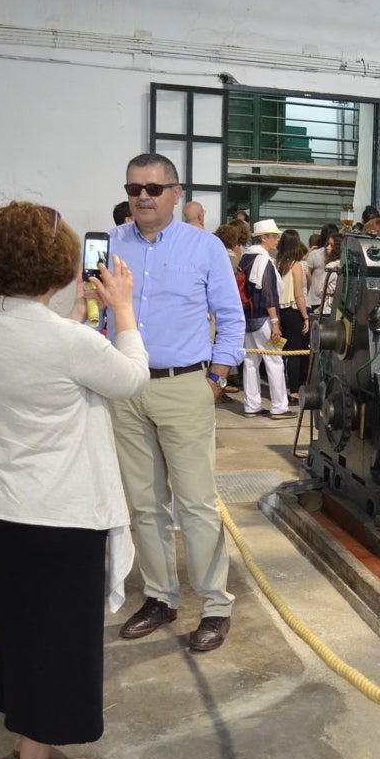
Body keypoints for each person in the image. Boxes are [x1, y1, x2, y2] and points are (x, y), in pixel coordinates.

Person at [0, 202, 149, 759]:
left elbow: (40, 358)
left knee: (22, 625)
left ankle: (23, 727)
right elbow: (130, 378)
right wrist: (122, 309)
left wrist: (76, 316)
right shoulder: (68, 343)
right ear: (59, 264)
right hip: (57, 516)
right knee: (59, 638)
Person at [108, 153, 246, 653]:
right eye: (134, 188)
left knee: (196, 504)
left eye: (154, 188)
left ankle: (215, 605)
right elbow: (93, 315)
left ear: (176, 192)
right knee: (144, 504)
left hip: (185, 385)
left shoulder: (204, 247)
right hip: (125, 388)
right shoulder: (110, 245)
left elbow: (230, 317)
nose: (143, 196)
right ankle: (160, 597)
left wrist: (216, 378)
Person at [238, 220, 291, 418]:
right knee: (274, 360)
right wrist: (275, 323)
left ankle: (251, 406)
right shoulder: (264, 260)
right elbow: (268, 294)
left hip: (247, 318)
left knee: (250, 362)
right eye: (273, 236)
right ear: (263, 238)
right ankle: (279, 407)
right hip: (265, 320)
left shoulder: (245, 258)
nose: (277, 239)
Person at [275, 229, 310, 402]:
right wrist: (306, 317)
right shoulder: (296, 266)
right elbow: (299, 295)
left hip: (276, 314)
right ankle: (294, 391)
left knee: (278, 350)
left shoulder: (275, 262)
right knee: (294, 352)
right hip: (292, 313)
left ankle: (278, 388)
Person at [306, 223, 338, 318]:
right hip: (330, 301)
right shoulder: (341, 258)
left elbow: (307, 274)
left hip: (315, 298)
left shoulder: (315, 254)